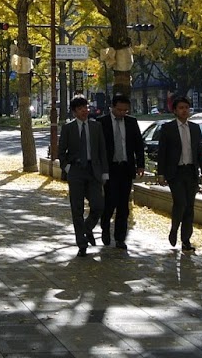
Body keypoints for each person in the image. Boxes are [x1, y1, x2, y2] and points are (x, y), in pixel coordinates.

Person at [155, 95, 202, 252]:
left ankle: (186, 240)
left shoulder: (195, 128)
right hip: (175, 172)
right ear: (175, 111)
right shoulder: (168, 128)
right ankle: (174, 229)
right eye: (181, 108)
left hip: (191, 171)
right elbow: (162, 152)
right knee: (180, 203)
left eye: (186, 107)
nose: (184, 111)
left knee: (190, 207)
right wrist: (161, 173)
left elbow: (200, 151)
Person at [57, 95, 109, 255]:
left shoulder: (96, 127)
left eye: (86, 108)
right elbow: (61, 152)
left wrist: (105, 172)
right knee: (77, 208)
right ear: (74, 112)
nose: (85, 111)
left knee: (99, 205)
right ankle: (82, 244)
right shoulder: (68, 128)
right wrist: (67, 168)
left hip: (93, 171)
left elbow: (102, 151)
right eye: (80, 109)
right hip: (76, 171)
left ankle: (87, 228)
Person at [99, 93, 145, 248]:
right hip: (109, 168)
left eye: (125, 110)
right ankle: (105, 227)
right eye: (119, 110)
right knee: (110, 202)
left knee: (123, 205)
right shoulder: (102, 123)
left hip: (126, 167)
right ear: (112, 107)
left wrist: (140, 164)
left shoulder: (131, 122)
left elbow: (139, 144)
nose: (122, 113)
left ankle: (120, 237)